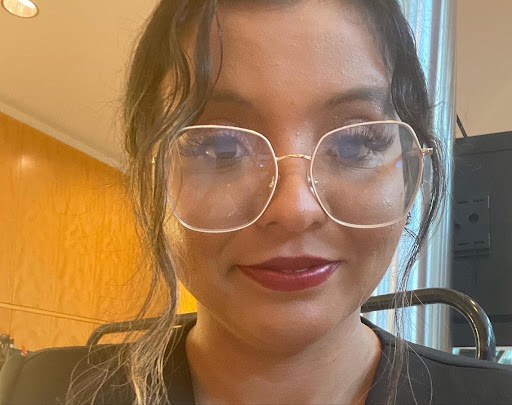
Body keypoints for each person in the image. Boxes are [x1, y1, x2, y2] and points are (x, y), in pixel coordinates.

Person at [1, 0, 512, 404]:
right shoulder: (33, 393)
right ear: (150, 176)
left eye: (356, 143)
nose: (295, 209)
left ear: (411, 170)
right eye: (220, 147)